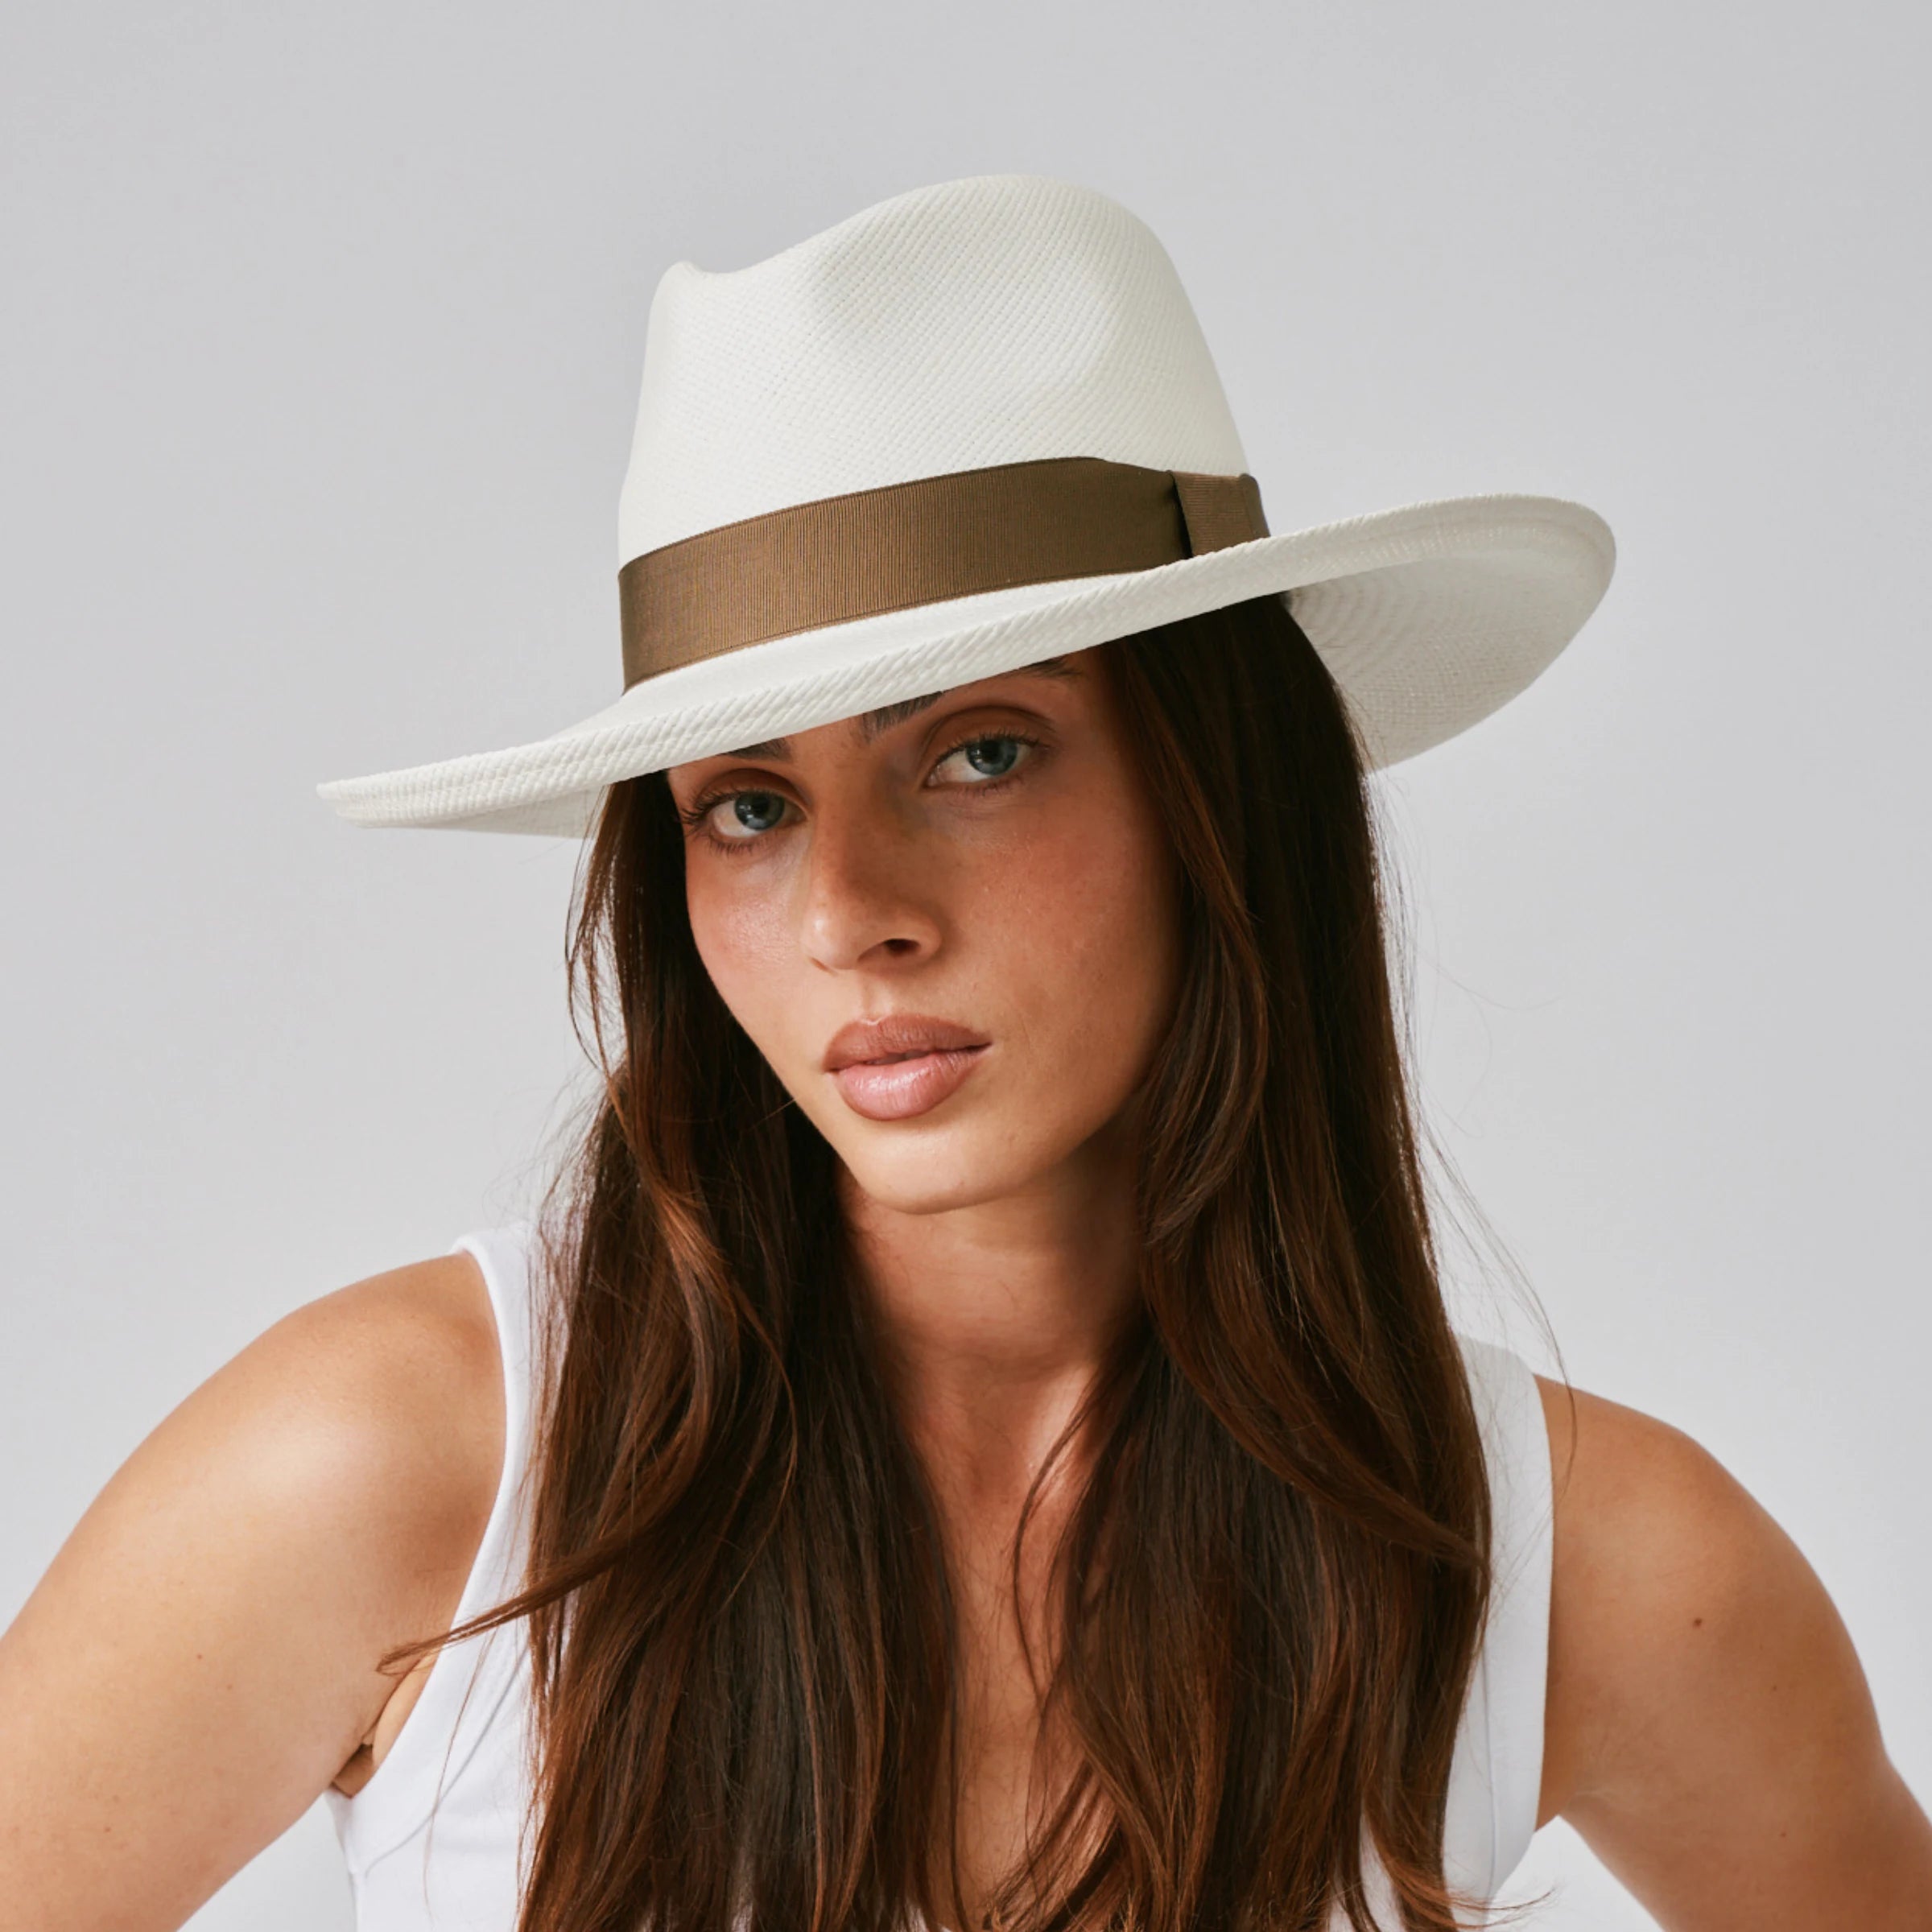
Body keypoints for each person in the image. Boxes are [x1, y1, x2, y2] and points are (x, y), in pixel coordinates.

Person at [2, 174, 1926, 1932]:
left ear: (1217, 796)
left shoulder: (1579, 1562)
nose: (850, 910)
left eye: (980, 751)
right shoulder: (403, 1469)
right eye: (745, 808)